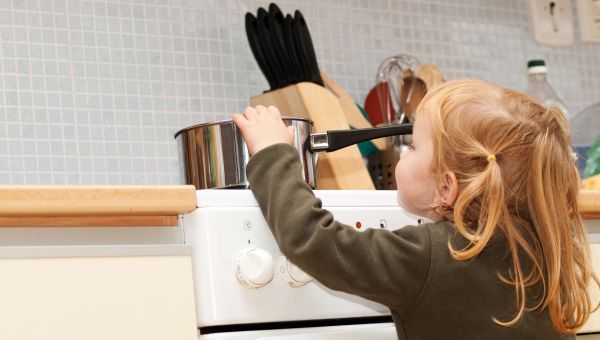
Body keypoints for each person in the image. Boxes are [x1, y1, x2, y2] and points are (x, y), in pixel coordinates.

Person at [232, 78, 597, 339]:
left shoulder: (427, 255)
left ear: (446, 187)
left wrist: (272, 153)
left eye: (413, 147)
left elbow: (311, 239)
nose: (404, 154)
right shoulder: (546, 250)